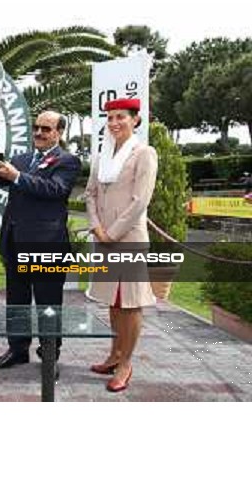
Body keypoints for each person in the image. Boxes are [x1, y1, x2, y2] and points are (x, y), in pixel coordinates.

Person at [0, 111, 81, 374]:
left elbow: (55, 189)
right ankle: (17, 351)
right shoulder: (21, 158)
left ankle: (50, 356)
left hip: (47, 245)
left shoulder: (68, 161)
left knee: (48, 304)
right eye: (36, 128)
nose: (39, 133)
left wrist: (15, 176)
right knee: (16, 301)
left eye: (46, 129)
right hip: (14, 243)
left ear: (59, 133)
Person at [84, 98, 158, 393]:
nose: (114, 123)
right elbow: (89, 194)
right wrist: (97, 227)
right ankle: (114, 355)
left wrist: (112, 232)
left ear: (135, 120)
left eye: (121, 118)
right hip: (104, 237)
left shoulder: (144, 153)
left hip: (127, 238)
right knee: (114, 301)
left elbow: (140, 201)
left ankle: (126, 362)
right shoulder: (102, 154)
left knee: (131, 302)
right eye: (110, 118)